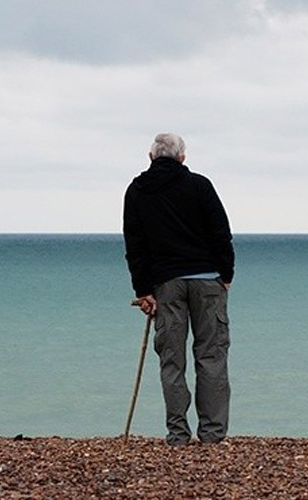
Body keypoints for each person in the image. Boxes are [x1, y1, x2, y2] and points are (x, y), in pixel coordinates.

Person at [123, 132, 235, 446]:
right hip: (207, 280)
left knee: (172, 359)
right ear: (182, 158)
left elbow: (135, 245)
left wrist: (144, 289)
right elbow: (220, 233)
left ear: (150, 157)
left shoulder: (137, 190)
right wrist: (225, 274)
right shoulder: (200, 185)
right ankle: (212, 434)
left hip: (167, 284)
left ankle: (178, 434)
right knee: (211, 355)